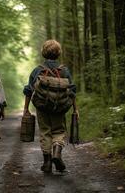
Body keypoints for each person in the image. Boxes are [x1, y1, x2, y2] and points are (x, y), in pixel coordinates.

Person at [23, 40, 79, 173]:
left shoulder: (38, 70)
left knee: (45, 132)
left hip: (42, 107)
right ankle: (57, 154)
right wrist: (75, 109)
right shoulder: (64, 70)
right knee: (59, 131)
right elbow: (71, 91)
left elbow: (28, 90)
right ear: (59, 53)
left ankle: (47, 162)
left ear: (43, 53)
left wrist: (26, 109)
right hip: (59, 108)